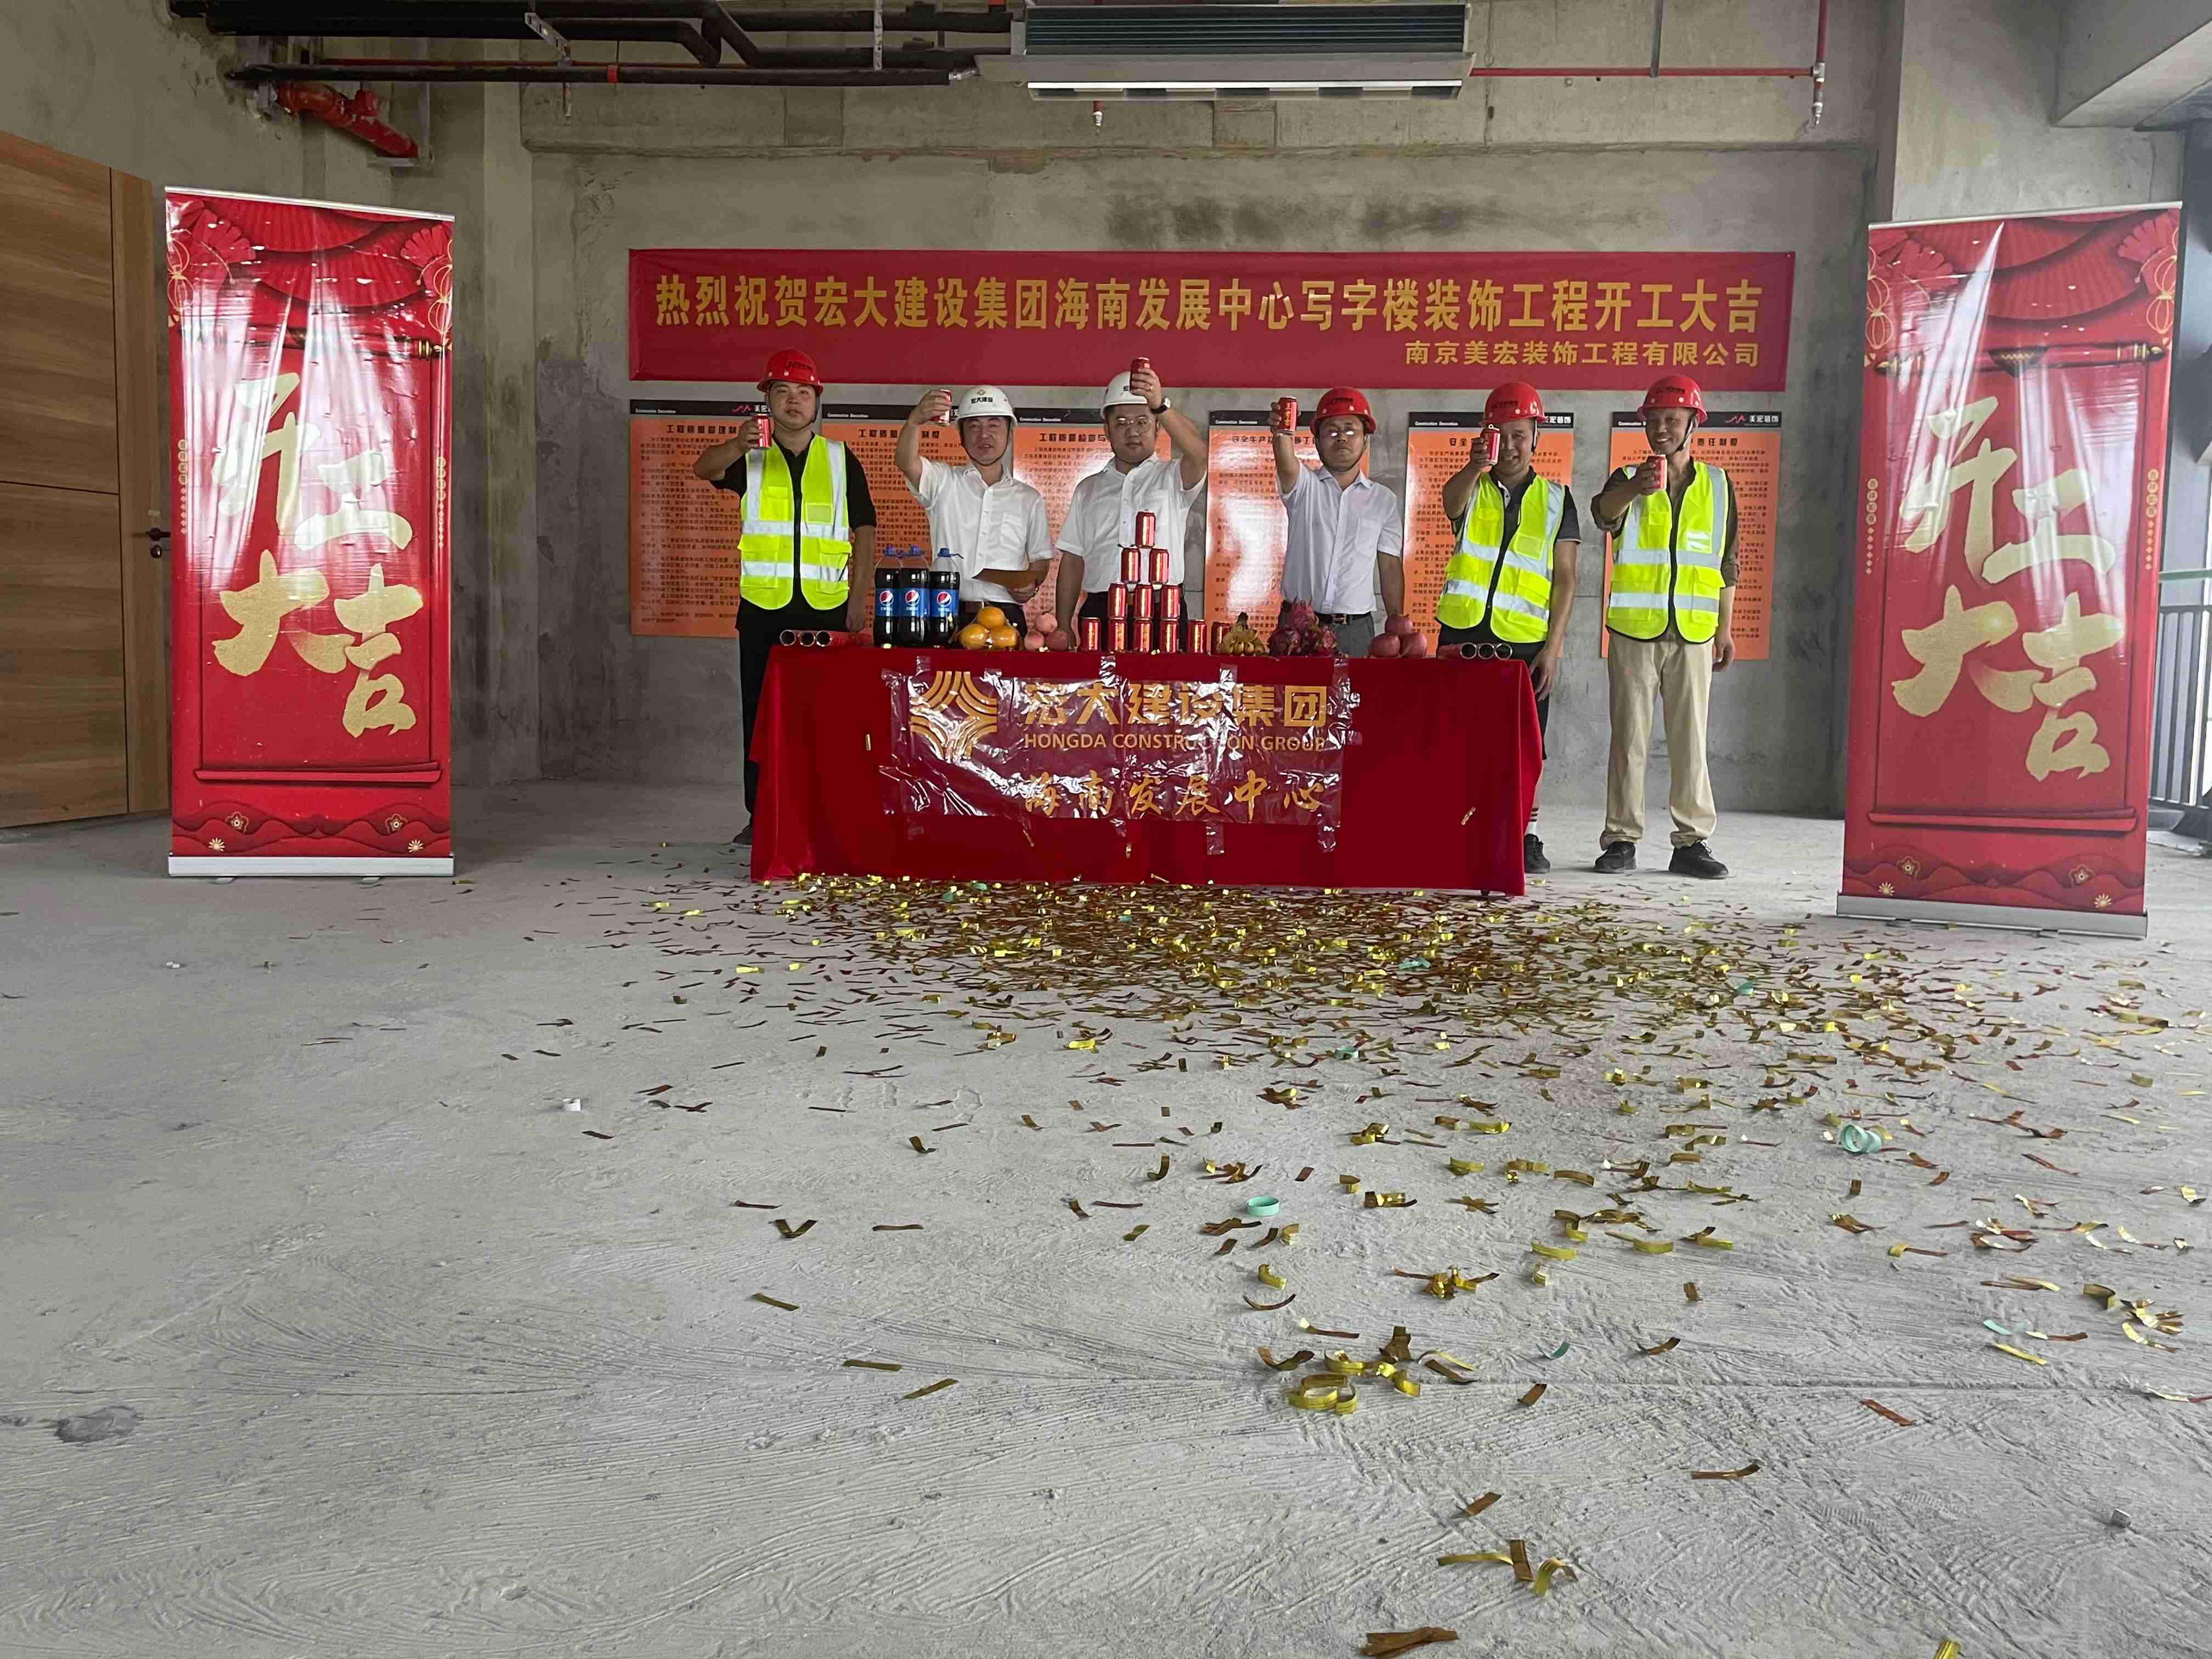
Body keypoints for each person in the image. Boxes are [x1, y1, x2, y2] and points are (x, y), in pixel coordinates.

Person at [692, 347, 876, 845]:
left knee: (826, 717)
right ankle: (762, 815)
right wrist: (737, 443)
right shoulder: (749, 455)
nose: (794, 401)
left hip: (826, 609)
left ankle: (823, 813)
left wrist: (858, 599)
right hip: (762, 609)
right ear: (767, 400)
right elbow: (703, 469)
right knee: (760, 716)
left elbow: (865, 530)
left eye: (803, 392)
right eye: (782, 391)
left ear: (817, 401)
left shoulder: (839, 459)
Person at [1588, 373, 1737, 879]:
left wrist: (1724, 629)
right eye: (1653, 421)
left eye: (1672, 419)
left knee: (1690, 739)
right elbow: (1603, 515)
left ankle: (1692, 842)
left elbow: (1728, 562)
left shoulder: (1718, 485)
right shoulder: (1626, 477)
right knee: (1629, 738)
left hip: (1694, 632)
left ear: (1694, 423)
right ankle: (1621, 839)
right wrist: (1636, 488)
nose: (1661, 429)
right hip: (1634, 630)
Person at [1432, 381, 1579, 876]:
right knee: (1459, 740)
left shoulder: (1558, 499)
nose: (1512, 445)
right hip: (1463, 635)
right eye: (1501, 434)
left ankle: (1526, 835)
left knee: (1527, 746)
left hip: (1525, 643)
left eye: (1520, 434)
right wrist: (1474, 466)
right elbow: (1450, 505)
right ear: (1486, 436)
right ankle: (1460, 829)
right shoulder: (1471, 486)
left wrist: (1554, 648)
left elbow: (1566, 578)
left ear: (1536, 436)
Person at [1053, 362, 1208, 628]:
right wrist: (1064, 625)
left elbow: (1199, 455)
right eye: (1121, 423)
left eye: (1142, 422)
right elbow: (1072, 560)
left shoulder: (1173, 477)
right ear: (1107, 430)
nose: (1133, 431)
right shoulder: (1088, 489)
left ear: (1158, 427)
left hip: (1163, 612)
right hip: (1100, 613)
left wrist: (1160, 405)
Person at [896, 385, 1050, 631]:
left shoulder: (1029, 498)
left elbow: (1040, 559)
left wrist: (1031, 584)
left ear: (1010, 433)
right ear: (961, 436)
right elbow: (906, 462)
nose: (984, 435)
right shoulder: (942, 481)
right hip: (945, 612)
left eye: (994, 425)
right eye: (974, 426)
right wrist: (915, 421)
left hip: (1006, 618)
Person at [1271, 387, 1401, 659]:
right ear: (1317, 443)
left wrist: (1398, 628)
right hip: (1298, 628)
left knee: (1358, 689)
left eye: (1351, 430)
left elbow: (1390, 566)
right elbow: (1286, 464)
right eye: (1331, 431)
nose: (1341, 437)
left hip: (1356, 631)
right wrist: (1282, 434)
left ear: (1366, 441)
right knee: (1293, 689)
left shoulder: (1383, 500)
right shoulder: (1303, 487)